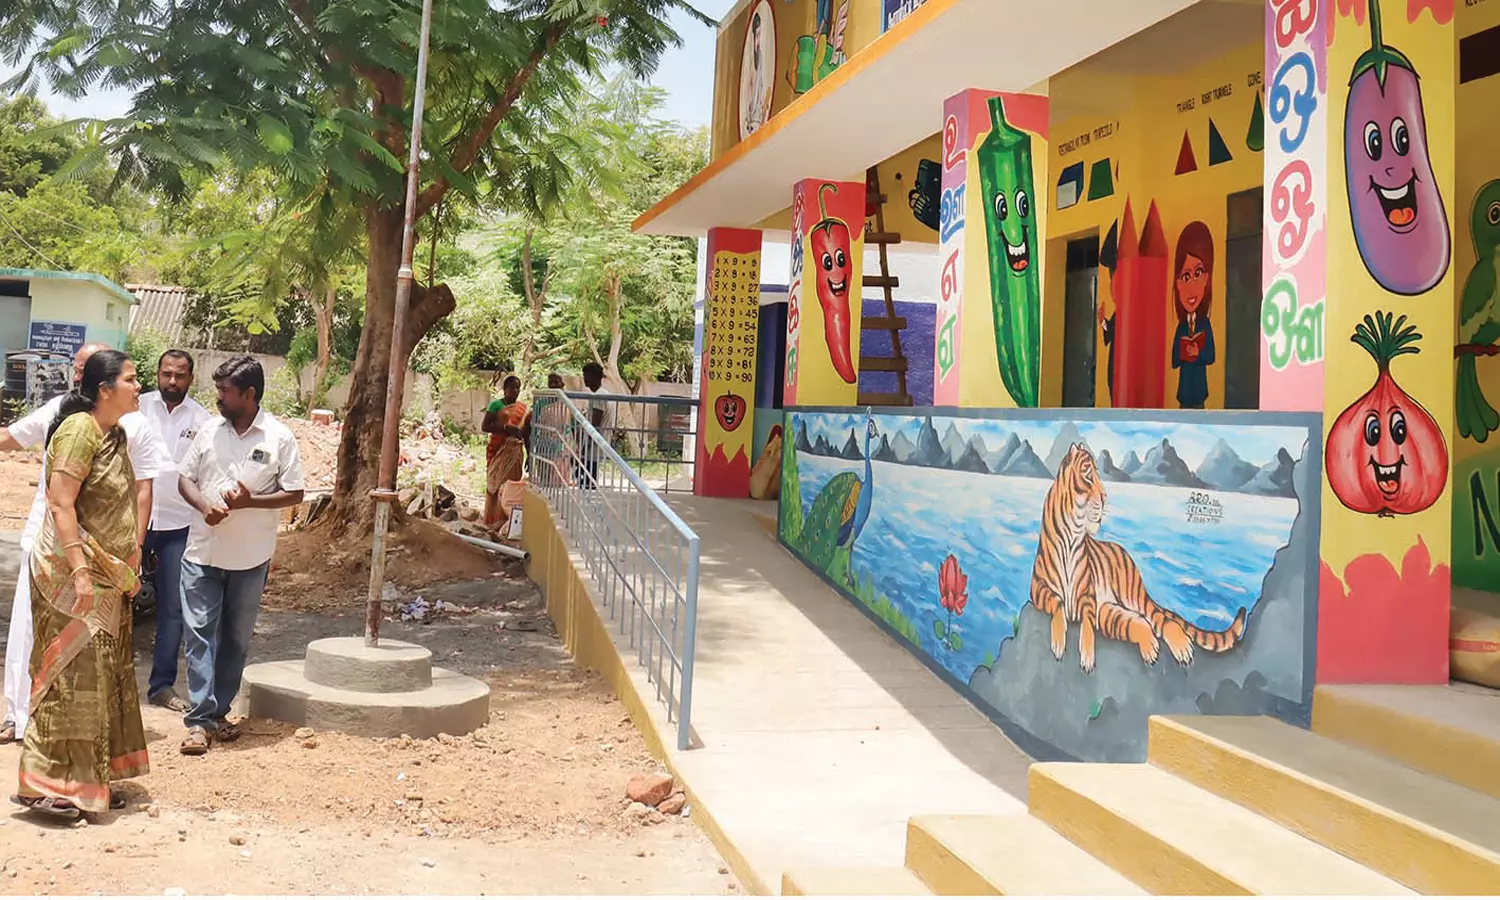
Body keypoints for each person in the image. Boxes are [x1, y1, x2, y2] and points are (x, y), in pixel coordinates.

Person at [0, 343, 165, 747]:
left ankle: (81, 739)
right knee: (35, 635)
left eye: (84, 366)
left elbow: (142, 491)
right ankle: (21, 718)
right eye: (77, 367)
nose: (77, 374)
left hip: (107, 561)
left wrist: (134, 548)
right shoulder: (70, 422)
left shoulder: (130, 429)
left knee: (93, 650)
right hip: (57, 551)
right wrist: (78, 566)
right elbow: (59, 500)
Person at [175, 356, 304, 755]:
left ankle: (218, 713)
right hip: (202, 551)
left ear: (249, 394)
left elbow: (295, 492)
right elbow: (185, 478)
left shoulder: (278, 437)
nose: (218, 398)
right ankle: (199, 721)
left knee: (234, 639)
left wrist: (250, 502)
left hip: (250, 558)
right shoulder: (209, 430)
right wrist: (203, 506)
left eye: (224, 391)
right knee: (199, 635)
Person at [137, 349, 212, 713]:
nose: (172, 381)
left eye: (179, 375)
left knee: (173, 608)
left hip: (178, 525)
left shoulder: (203, 420)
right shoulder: (137, 408)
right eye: (166, 373)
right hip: (131, 520)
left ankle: (161, 686)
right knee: (113, 601)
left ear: (190, 378)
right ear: (158, 373)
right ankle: (109, 684)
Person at [1170, 221, 1217, 410]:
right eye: (1185, 277)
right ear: (1178, 283)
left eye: (1198, 273)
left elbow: (1211, 356)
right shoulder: (1181, 327)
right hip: (1183, 392)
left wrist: (1197, 353)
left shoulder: (1204, 324)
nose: (1191, 286)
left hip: (1199, 392)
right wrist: (1183, 352)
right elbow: (1174, 359)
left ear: (1206, 279)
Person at [481, 375, 531, 527]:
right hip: (498, 449)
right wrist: (505, 428)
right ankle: (493, 519)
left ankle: (506, 520)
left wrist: (530, 454)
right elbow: (485, 426)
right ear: (505, 389)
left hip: (515, 452)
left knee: (511, 484)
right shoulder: (496, 405)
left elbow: (526, 434)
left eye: (518, 388)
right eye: (512, 387)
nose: (515, 391)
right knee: (495, 483)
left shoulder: (523, 410)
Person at [576, 362, 611, 489]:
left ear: (595, 377)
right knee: (584, 472)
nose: (584, 379)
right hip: (597, 441)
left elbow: (596, 422)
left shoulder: (599, 396)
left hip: (594, 442)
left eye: (586, 375)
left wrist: (587, 444)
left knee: (587, 476)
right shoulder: (603, 393)